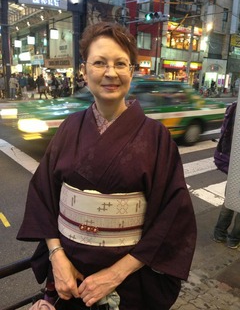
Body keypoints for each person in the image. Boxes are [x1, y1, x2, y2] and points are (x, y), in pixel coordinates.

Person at [17, 22, 196, 310]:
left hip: (129, 284)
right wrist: (56, 256)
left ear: (132, 71)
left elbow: (172, 218)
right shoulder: (68, 129)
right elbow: (43, 197)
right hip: (69, 280)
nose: (110, 73)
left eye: (120, 64)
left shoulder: (156, 137)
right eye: (99, 63)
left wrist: (116, 274)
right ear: (84, 71)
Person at [213, 102, 240, 249]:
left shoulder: (235, 106)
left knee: (230, 199)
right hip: (235, 161)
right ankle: (234, 240)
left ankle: (219, 233)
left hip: (233, 161)